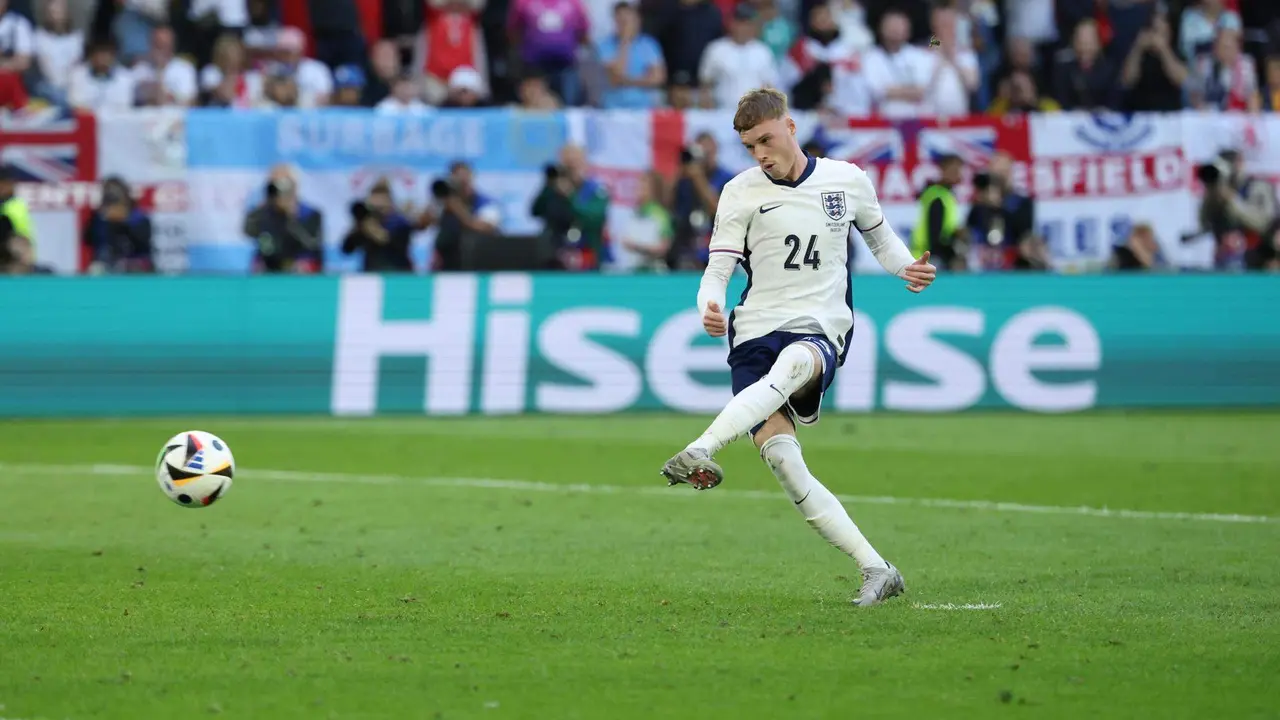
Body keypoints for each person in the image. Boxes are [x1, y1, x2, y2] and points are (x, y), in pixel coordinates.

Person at [658, 87, 936, 608]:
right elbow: (716, 272)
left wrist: (907, 268)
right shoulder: (739, 192)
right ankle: (877, 568)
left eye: (765, 139)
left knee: (794, 363)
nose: (760, 153)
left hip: (820, 324)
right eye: (749, 146)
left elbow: (880, 240)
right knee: (784, 461)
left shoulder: (846, 180)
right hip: (754, 330)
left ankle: (701, 449)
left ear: (790, 127)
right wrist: (709, 306)